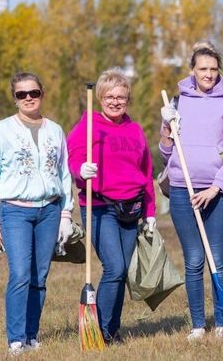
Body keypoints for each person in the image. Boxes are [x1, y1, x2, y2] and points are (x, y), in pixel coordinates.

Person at [0, 72, 74, 356]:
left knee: (40, 276)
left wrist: (66, 213)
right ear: (15, 98)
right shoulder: (1, 130)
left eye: (33, 92)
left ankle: (32, 335)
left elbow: (64, 172)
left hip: (50, 210)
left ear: (42, 94)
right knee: (20, 273)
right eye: (22, 94)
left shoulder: (55, 130)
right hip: (14, 211)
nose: (28, 98)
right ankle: (16, 339)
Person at [160, 41, 223, 341]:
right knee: (194, 259)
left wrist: (215, 187)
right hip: (183, 190)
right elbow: (166, 153)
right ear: (192, 70)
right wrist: (166, 134)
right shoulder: (176, 103)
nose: (208, 74)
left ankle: (222, 323)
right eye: (202, 68)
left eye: (213, 69)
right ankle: (198, 325)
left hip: (217, 193)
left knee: (217, 258)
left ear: (218, 70)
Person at [67, 67, 156, 344]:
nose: (115, 102)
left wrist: (150, 213)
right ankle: (101, 331)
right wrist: (82, 169)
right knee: (114, 267)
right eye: (109, 97)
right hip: (100, 206)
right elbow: (72, 158)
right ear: (100, 98)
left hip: (131, 209)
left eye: (121, 97)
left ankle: (112, 329)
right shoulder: (88, 125)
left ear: (128, 99)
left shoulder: (135, 130)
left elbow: (147, 173)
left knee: (122, 273)